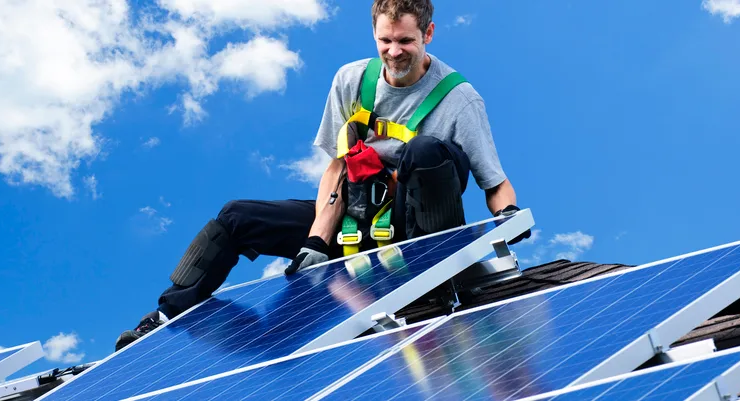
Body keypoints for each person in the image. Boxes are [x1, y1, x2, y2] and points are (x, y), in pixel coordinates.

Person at [114, 0, 529, 352]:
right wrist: (317, 240)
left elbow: (495, 184)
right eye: (385, 41)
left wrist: (507, 215)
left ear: (429, 34)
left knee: (425, 150)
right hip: (353, 225)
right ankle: (166, 316)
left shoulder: (459, 99)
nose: (395, 51)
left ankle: (435, 279)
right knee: (236, 216)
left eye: (406, 41)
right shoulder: (351, 81)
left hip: (413, 236)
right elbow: (338, 167)